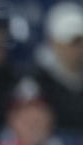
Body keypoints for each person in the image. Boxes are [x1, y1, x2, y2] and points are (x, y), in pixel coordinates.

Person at [33, 2, 83, 132]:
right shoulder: (38, 82)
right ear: (53, 42)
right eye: (72, 42)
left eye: (81, 41)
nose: (78, 48)